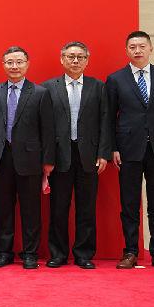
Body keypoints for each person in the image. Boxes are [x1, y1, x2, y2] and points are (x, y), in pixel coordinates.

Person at [107, 30, 154, 269]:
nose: (137, 50)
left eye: (142, 46)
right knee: (129, 203)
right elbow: (109, 118)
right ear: (126, 50)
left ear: (151, 48)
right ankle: (130, 252)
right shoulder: (116, 79)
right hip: (128, 149)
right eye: (132, 47)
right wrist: (113, 148)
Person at [42, 41, 111, 269]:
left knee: (86, 208)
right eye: (70, 57)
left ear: (87, 61)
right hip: (59, 155)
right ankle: (58, 253)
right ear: (62, 60)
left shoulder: (98, 87)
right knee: (58, 208)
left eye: (80, 57)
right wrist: (47, 158)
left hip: (88, 155)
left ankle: (84, 254)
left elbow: (105, 122)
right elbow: (44, 127)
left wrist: (103, 153)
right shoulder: (48, 87)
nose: (75, 61)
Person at [0, 46, 55, 269]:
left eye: (19, 62)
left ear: (27, 64)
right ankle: (4, 252)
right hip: (1, 158)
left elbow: (48, 130)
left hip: (31, 159)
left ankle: (30, 253)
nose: (14, 66)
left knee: (30, 209)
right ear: (3, 64)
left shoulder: (40, 93)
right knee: (3, 208)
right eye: (9, 62)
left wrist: (48, 161)